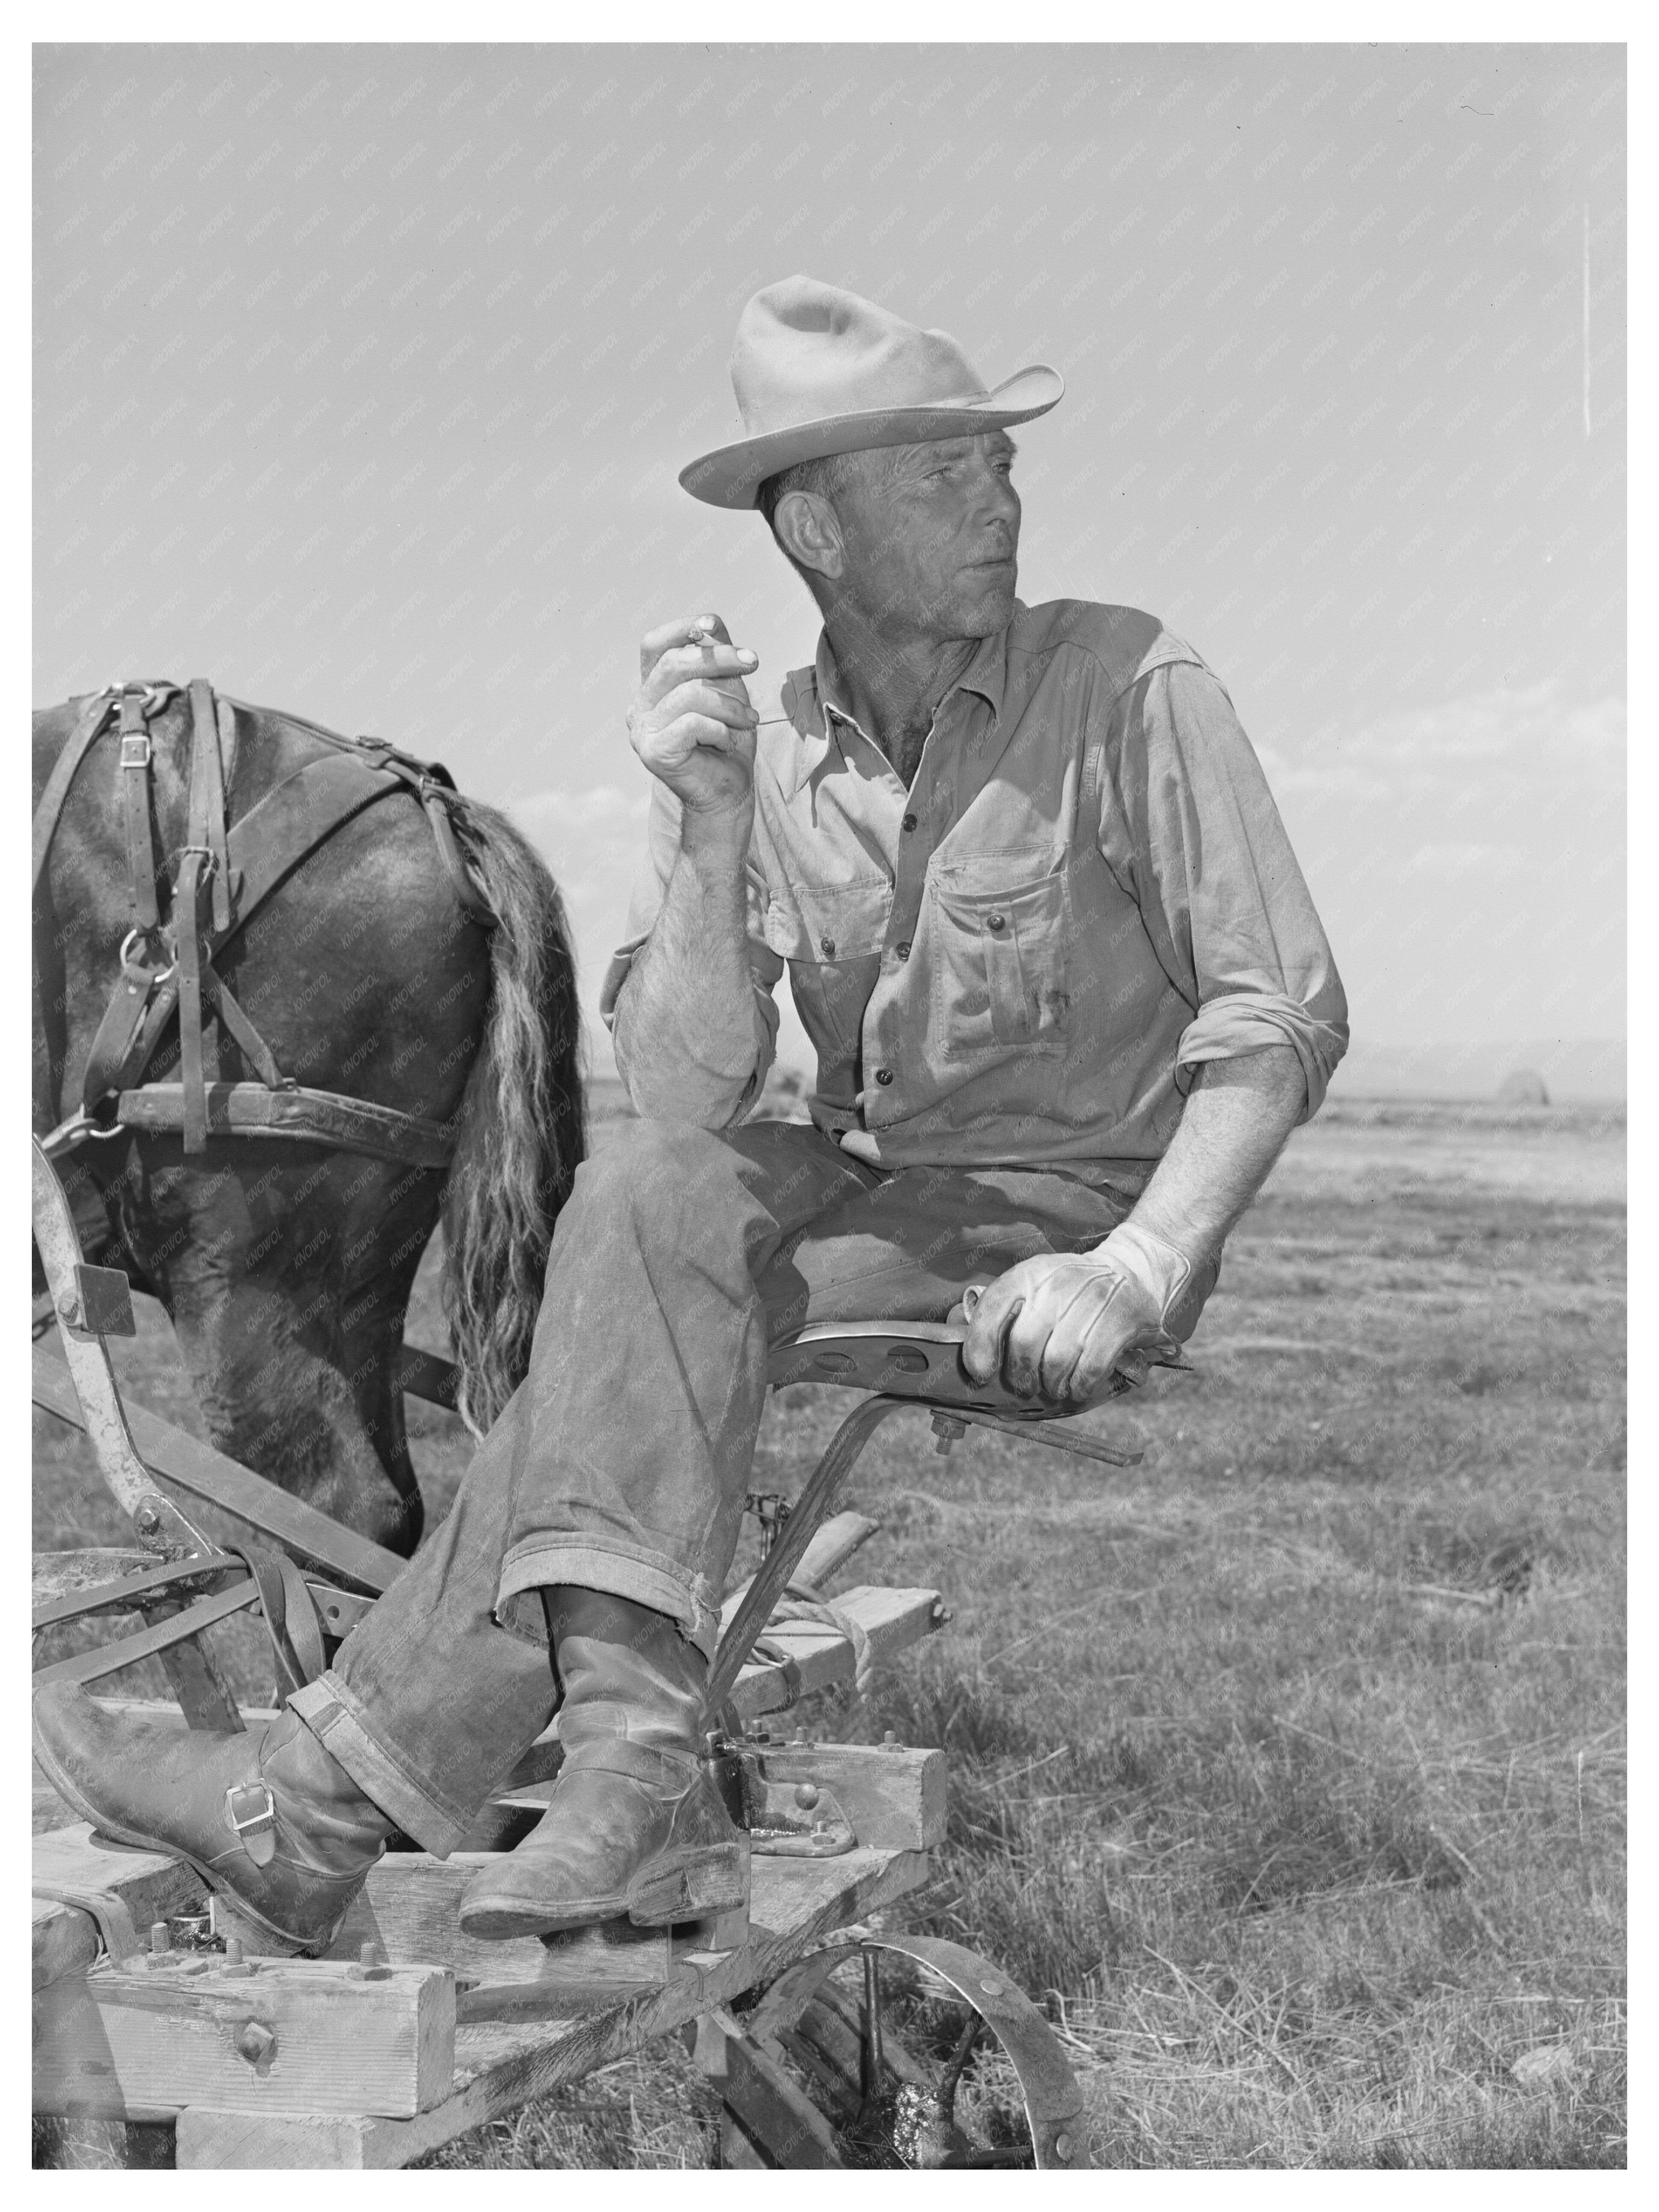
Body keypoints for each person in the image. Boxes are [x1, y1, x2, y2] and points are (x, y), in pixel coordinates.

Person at [33, 277, 1348, 1954]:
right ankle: (604, 1772)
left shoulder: (1129, 682)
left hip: (1063, 1213)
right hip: (874, 1185)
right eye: (946, 476)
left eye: (995, 470)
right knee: (651, 1203)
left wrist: (1141, 1265)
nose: (1000, 500)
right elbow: (686, 1089)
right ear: (817, 526)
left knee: (627, 1318)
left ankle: (336, 1797)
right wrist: (714, 825)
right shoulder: (767, 750)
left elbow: (1279, 1015)